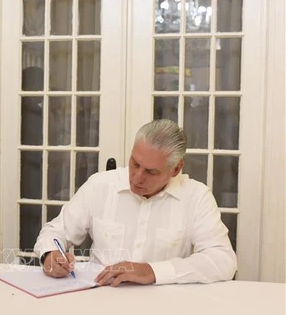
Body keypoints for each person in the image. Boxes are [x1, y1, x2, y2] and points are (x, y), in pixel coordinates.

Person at [34, 119, 237, 286]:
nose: (137, 177)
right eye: (135, 163)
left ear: (176, 169)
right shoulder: (100, 185)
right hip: (100, 301)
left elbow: (223, 260)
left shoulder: (196, 197)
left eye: (151, 171)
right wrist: (50, 254)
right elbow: (55, 231)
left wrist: (152, 271)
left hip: (166, 305)